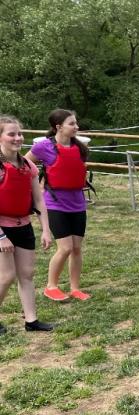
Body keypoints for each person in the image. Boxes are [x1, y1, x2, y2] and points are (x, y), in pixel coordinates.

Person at [25, 109, 91, 301]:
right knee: (65, 248)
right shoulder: (43, 146)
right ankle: (51, 286)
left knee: (76, 248)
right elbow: (24, 164)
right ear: (58, 126)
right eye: (72, 123)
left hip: (78, 203)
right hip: (55, 204)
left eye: (76, 123)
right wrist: (37, 184)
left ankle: (75, 288)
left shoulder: (80, 147)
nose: (76, 127)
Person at [0, 115, 54, 334]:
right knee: (6, 276)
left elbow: (39, 200)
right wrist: (1, 236)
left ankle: (31, 321)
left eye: (20, 133)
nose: (17, 138)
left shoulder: (28, 165)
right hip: (2, 229)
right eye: (11, 134)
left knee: (27, 273)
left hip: (23, 225)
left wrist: (46, 230)